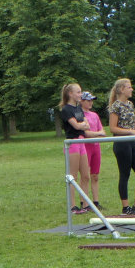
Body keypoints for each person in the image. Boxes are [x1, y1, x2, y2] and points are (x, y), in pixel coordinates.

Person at [108, 78, 135, 215]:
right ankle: (125, 207)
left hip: (132, 142)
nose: (132, 89)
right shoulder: (116, 106)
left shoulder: (130, 104)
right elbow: (113, 128)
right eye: (129, 87)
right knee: (125, 174)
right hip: (121, 143)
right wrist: (130, 131)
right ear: (121, 89)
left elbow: (132, 122)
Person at [59, 83, 103, 214]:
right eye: (78, 92)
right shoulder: (66, 110)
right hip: (72, 143)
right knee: (73, 176)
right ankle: (73, 206)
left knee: (86, 176)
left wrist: (82, 124)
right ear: (70, 94)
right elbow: (77, 126)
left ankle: (85, 203)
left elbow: (86, 125)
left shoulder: (78, 108)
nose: (80, 94)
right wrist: (81, 125)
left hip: (81, 142)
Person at [80, 91, 105, 210]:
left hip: (96, 146)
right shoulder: (79, 114)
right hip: (86, 146)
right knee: (85, 175)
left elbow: (103, 131)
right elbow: (86, 133)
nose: (90, 103)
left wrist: (96, 134)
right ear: (82, 101)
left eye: (91, 100)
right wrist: (97, 134)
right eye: (88, 100)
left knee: (95, 175)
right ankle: (83, 201)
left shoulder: (95, 115)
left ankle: (96, 201)